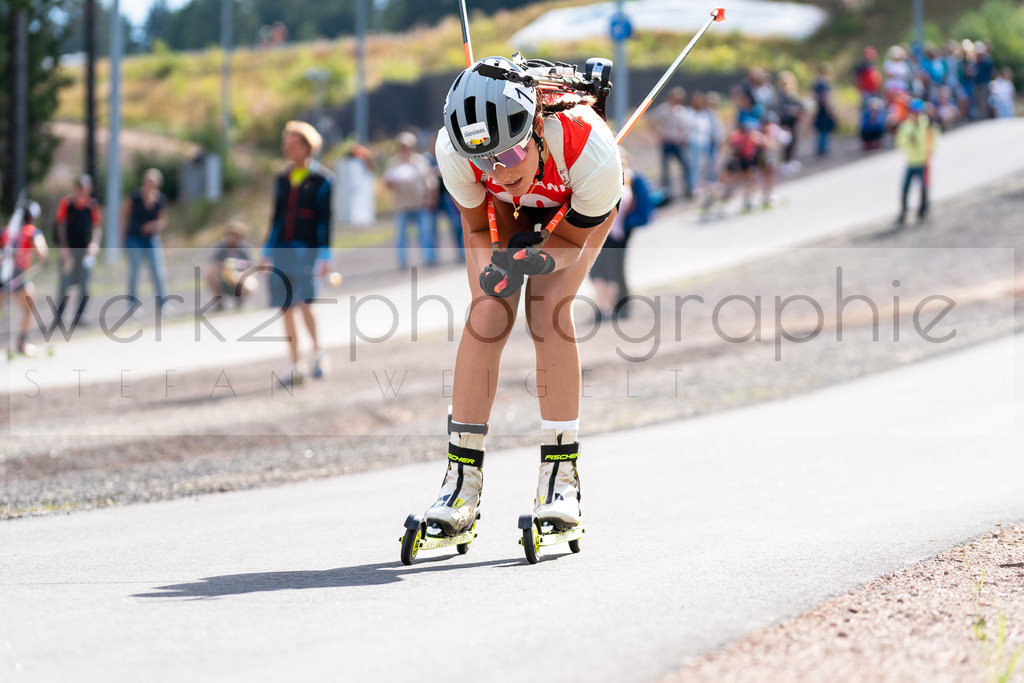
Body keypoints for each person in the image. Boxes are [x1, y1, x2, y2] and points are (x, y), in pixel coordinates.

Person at [425, 55, 623, 537]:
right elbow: (476, 228)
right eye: (485, 160)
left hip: (572, 200)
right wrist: (494, 275)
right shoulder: (454, 152)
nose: (499, 168)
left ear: (536, 126)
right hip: (507, 210)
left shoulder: (590, 149)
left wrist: (541, 259)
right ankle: (461, 486)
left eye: (510, 154)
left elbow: (572, 243)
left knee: (547, 312)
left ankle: (561, 481)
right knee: (487, 316)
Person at [263, 120, 333, 385]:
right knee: (286, 308)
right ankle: (295, 365)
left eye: (293, 145)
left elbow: (326, 221)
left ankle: (319, 354)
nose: (288, 149)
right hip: (281, 250)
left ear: (307, 147)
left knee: (305, 304)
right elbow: (276, 218)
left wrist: (325, 255)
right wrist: (267, 250)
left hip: (308, 252)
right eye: (286, 145)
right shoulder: (282, 179)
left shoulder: (323, 180)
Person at [383, 131, 438, 268]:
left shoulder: (420, 160)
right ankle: (402, 261)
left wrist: (431, 198)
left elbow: (430, 181)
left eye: (407, 146)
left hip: (420, 203)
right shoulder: (393, 162)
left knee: (425, 233)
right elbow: (387, 183)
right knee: (401, 235)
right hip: (402, 204)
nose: (404, 149)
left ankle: (429, 258)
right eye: (402, 146)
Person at [1, 201, 49, 356]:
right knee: (30, 308)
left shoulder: (7, 231)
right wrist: (43, 261)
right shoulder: (31, 231)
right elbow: (43, 253)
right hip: (16, 275)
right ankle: (21, 343)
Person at [54, 174, 102, 329]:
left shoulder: (92, 206)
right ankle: (59, 318)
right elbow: (61, 226)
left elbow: (96, 227)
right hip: (69, 251)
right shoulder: (67, 204)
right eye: (80, 187)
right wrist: (64, 247)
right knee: (65, 284)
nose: (82, 191)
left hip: (85, 252)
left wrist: (94, 244)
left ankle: (79, 317)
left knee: (85, 285)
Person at [120, 168, 169, 307]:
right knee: (135, 271)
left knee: (158, 271)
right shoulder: (135, 197)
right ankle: (132, 305)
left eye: (152, 182)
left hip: (151, 239)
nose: (149, 184)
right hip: (134, 238)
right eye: (148, 181)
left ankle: (163, 304)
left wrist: (151, 226)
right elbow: (123, 214)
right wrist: (122, 236)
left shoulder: (160, 200)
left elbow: (162, 221)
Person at [894, 99, 938, 227]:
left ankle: (922, 212)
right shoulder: (906, 126)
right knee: (905, 188)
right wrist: (908, 140)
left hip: (923, 162)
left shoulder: (927, 124)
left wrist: (929, 153)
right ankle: (903, 214)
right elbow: (900, 142)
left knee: (924, 188)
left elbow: (933, 140)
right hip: (911, 162)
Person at [651, 86, 693, 200]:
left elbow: (686, 126)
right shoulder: (663, 109)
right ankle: (666, 192)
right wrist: (658, 134)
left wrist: (683, 136)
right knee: (666, 168)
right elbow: (652, 121)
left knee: (686, 165)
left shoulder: (681, 111)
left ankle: (688, 188)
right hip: (667, 141)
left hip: (677, 142)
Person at [205, 221, 257, 310]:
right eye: (230, 235)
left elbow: (251, 269)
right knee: (209, 272)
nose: (232, 238)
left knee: (251, 283)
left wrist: (238, 276)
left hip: (239, 280)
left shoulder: (244, 249)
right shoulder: (222, 248)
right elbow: (214, 265)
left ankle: (240, 299)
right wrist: (224, 270)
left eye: (236, 235)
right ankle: (220, 302)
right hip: (224, 279)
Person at [811, 62, 837, 157]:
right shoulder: (823, 83)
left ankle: (821, 147)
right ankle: (823, 147)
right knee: (824, 128)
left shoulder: (816, 82)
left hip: (819, 108)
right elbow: (823, 96)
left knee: (821, 128)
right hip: (823, 108)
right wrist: (828, 109)